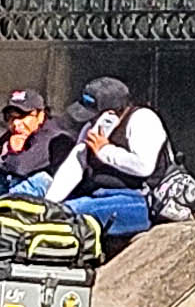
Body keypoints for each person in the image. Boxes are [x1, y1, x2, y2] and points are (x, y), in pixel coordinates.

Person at [39, 76, 164, 237]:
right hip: (100, 193)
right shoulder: (91, 128)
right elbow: (74, 167)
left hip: (141, 199)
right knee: (53, 205)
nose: (92, 122)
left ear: (111, 113)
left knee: (74, 213)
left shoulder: (143, 120)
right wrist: (49, 203)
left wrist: (105, 150)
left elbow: (144, 167)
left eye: (95, 116)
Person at [0, 88, 75, 200]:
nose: (16, 123)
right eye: (10, 117)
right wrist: (4, 150)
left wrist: (6, 151)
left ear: (40, 115)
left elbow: (21, 167)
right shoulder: (19, 133)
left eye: (22, 116)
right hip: (19, 190)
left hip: (60, 202)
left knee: (39, 179)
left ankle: (6, 209)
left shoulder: (53, 134)